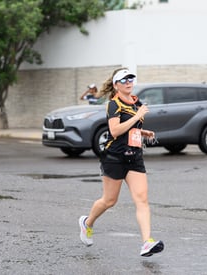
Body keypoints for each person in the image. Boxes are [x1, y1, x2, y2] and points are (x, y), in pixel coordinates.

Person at [78, 68, 164, 257]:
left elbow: (131, 128)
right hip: (114, 158)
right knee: (109, 201)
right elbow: (115, 131)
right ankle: (87, 223)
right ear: (116, 85)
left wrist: (143, 132)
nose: (128, 82)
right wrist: (137, 116)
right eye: (124, 80)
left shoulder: (136, 103)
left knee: (142, 199)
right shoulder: (113, 104)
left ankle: (146, 242)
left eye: (130, 78)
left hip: (134, 157)